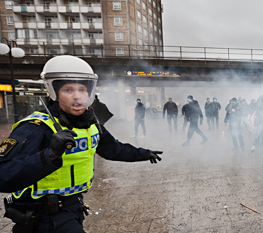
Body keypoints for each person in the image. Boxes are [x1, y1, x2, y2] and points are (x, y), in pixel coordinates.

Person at [0, 55, 163, 233]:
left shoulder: (90, 123)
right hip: (43, 217)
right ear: (54, 92)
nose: (77, 97)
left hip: (72, 208)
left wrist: (143, 153)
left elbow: (112, 149)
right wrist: (50, 155)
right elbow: (3, 174)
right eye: (68, 90)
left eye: (83, 90)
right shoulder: (36, 127)